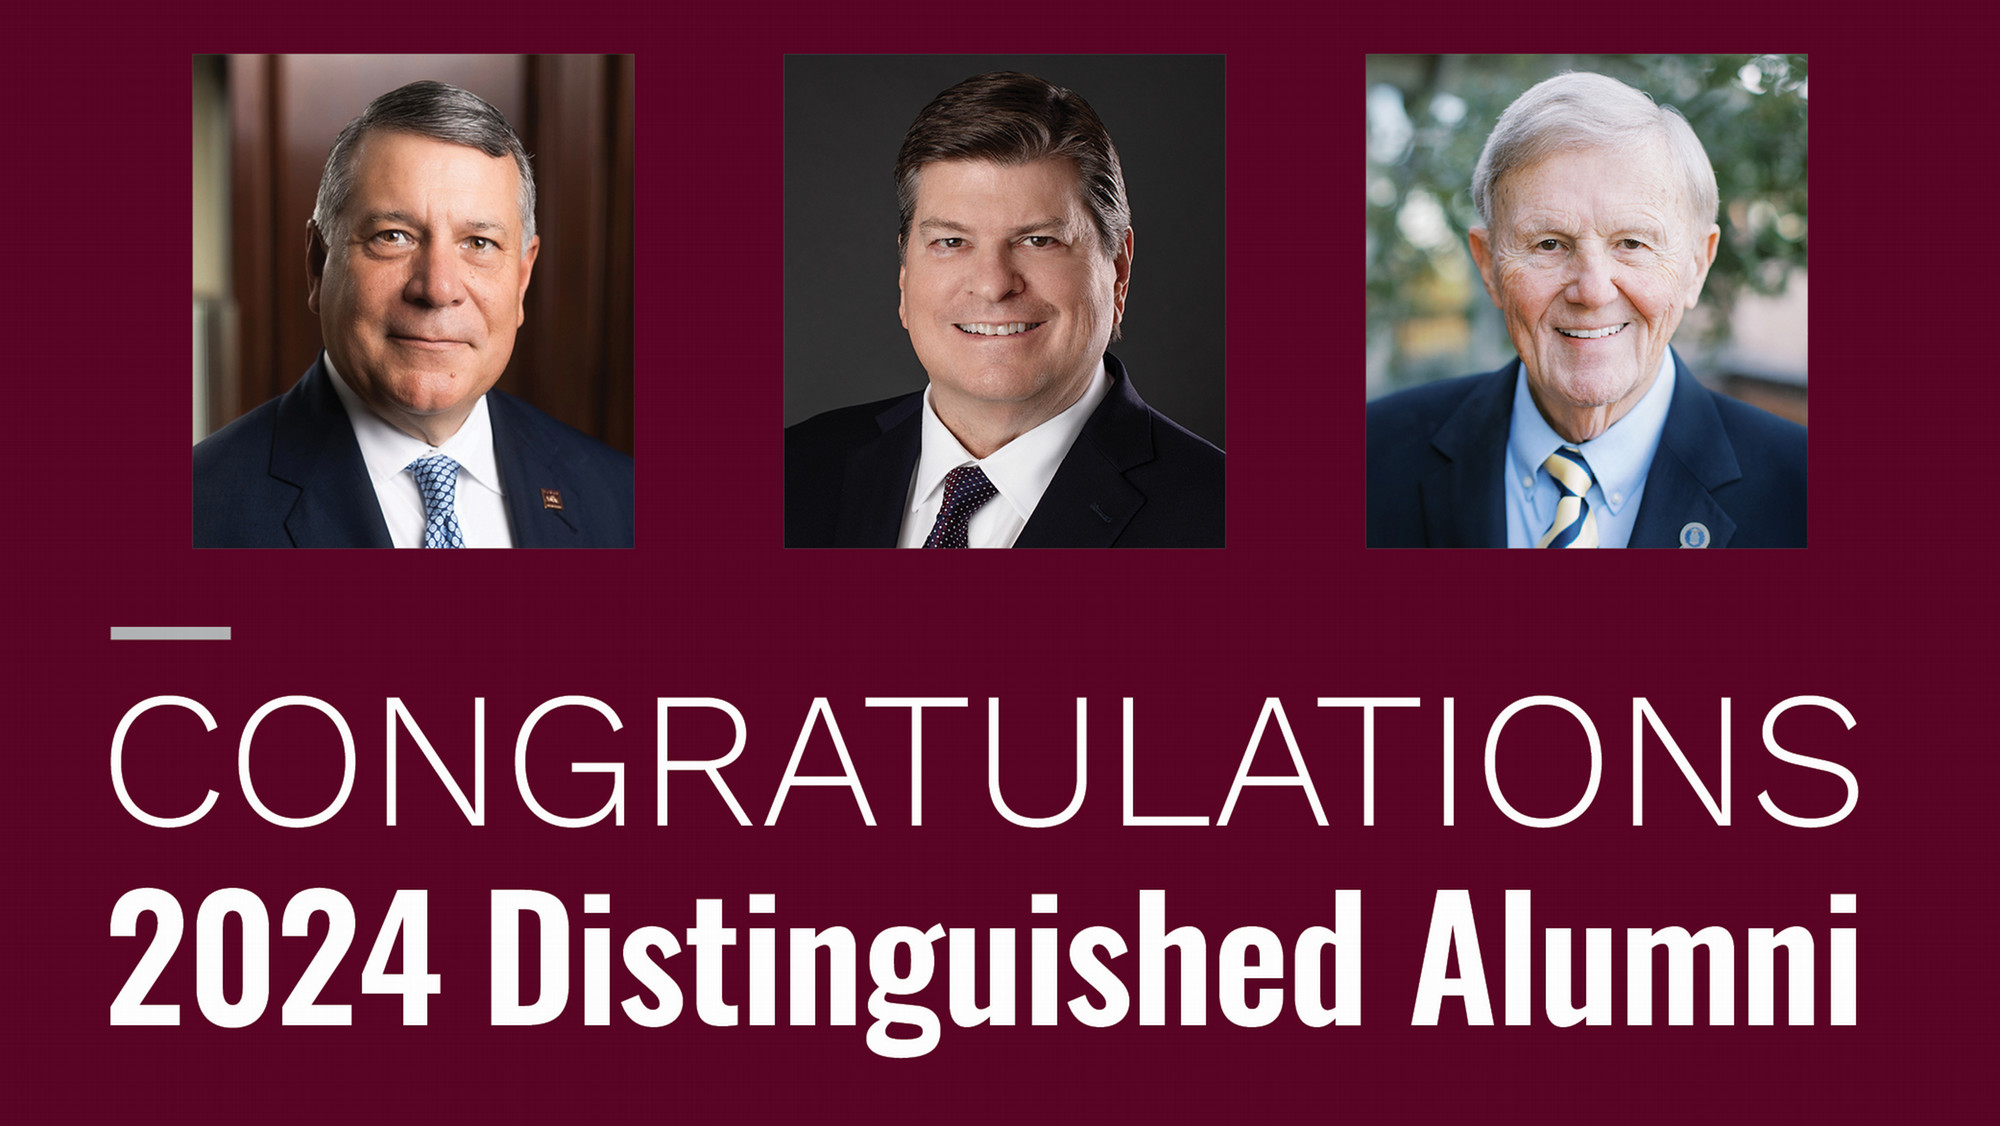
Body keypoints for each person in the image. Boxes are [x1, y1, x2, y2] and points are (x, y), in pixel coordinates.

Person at [785, 71, 1224, 548]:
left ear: (1118, 270)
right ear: (905, 274)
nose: (994, 285)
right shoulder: (793, 470)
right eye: (951, 241)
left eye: (1039, 240)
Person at [1366, 72, 1805, 548]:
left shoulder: (1802, 492)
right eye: (1549, 243)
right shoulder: (1372, 456)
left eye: (1631, 243)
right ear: (1488, 265)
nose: (1592, 291)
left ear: (1697, 266)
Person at [194, 80, 633, 548]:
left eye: (478, 243)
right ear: (319, 265)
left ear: (522, 279)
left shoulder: (621, 499)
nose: (438, 289)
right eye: (393, 236)